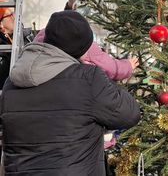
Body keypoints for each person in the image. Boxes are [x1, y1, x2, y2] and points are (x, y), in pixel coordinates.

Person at [0, 10, 141, 175]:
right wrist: (104, 76)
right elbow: (129, 114)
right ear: (82, 48)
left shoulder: (12, 81)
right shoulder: (89, 78)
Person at [0, 5, 35, 89]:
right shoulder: (2, 47)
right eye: (10, 15)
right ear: (1, 24)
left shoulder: (27, 35)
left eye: (13, 14)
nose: (14, 17)